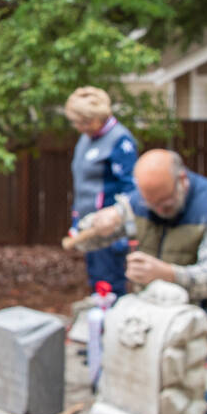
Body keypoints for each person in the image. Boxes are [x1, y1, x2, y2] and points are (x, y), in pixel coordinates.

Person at [63, 149, 207, 414]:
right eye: (150, 203)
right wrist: (94, 225)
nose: (156, 210)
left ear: (181, 181)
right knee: (127, 362)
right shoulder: (142, 202)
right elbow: (83, 243)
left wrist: (166, 273)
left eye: (165, 204)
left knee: (165, 372)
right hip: (159, 314)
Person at [64, 86, 138, 295]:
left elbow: (130, 188)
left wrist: (118, 219)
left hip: (108, 228)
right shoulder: (87, 138)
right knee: (96, 280)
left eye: (82, 122)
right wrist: (77, 219)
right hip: (89, 224)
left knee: (110, 283)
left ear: (96, 118)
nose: (78, 127)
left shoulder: (120, 140)